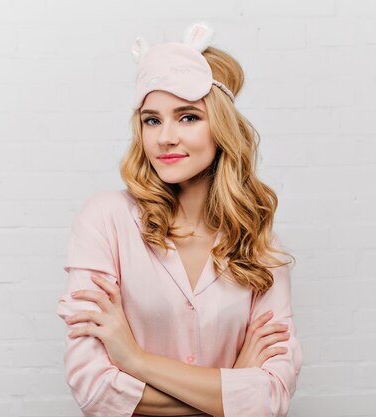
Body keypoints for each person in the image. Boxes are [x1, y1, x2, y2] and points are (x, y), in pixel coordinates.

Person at [56, 22, 303, 417]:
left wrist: (135, 360)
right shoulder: (106, 221)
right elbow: (94, 388)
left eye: (187, 117)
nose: (165, 137)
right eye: (152, 120)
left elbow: (271, 397)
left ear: (221, 127)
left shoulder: (257, 241)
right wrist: (232, 386)